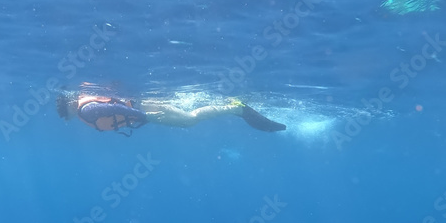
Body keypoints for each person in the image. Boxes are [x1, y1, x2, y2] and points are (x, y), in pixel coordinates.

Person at [55, 91, 286, 134]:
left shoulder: (88, 109)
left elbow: (115, 108)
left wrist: (145, 116)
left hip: (147, 110)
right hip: (144, 111)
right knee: (189, 119)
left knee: (190, 120)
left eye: (65, 115)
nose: (68, 119)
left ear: (69, 109)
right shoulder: (85, 110)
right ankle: (233, 107)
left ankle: (235, 108)